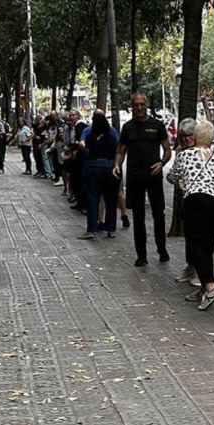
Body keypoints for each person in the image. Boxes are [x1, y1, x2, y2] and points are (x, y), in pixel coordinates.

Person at [167, 119, 214, 311]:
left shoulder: (185, 155)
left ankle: (211, 287)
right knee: (207, 246)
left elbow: (171, 176)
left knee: (196, 247)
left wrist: (181, 180)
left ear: (195, 137)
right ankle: (204, 287)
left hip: (196, 202)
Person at [115, 93, 172, 267]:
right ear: (131, 106)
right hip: (134, 177)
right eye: (135, 105)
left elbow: (167, 150)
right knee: (138, 217)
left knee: (158, 215)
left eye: (141, 104)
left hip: (154, 176)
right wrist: (117, 165)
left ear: (146, 105)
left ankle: (162, 250)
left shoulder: (157, 125)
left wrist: (161, 163)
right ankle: (141, 255)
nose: (139, 108)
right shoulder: (128, 127)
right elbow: (121, 151)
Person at [78, 111, 120, 240]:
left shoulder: (90, 134)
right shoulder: (112, 134)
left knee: (93, 198)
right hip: (110, 168)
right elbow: (118, 149)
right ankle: (111, 228)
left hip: (94, 168)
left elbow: (85, 148)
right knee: (111, 200)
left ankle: (92, 229)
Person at [173, 119, 202, 286]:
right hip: (186, 198)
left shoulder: (202, 150)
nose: (186, 140)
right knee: (190, 236)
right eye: (183, 136)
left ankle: (200, 271)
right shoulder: (180, 151)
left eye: (189, 136)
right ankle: (191, 267)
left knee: (199, 237)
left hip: (201, 199)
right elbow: (175, 175)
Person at [64, 111, 89, 210]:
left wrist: (74, 149)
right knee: (75, 180)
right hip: (75, 157)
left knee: (80, 180)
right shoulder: (72, 127)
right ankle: (79, 202)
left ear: (78, 116)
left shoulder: (80, 125)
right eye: (70, 115)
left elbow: (81, 142)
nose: (71, 117)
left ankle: (83, 204)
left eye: (73, 115)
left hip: (80, 157)